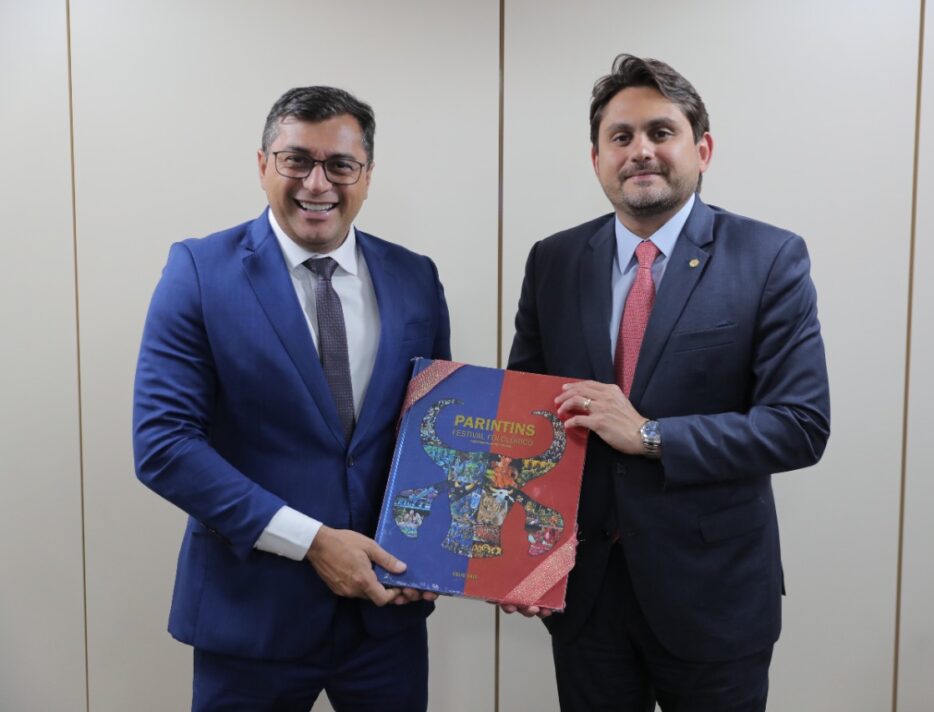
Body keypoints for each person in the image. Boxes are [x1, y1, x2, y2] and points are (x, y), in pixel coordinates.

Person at [506, 55, 830, 711]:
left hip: (713, 596)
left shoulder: (769, 257)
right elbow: (525, 416)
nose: (640, 151)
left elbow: (799, 426)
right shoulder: (554, 261)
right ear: (596, 158)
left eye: (661, 132)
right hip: (585, 595)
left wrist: (650, 435)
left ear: (702, 149)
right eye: (620, 136)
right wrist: (517, 553)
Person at [133, 86, 449, 711]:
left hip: (386, 615)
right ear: (262, 165)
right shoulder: (199, 271)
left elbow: (433, 431)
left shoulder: (416, 276)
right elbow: (164, 446)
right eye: (296, 160)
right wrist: (313, 542)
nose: (317, 183)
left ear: (367, 175)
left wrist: (435, 551)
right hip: (251, 617)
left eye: (340, 165)